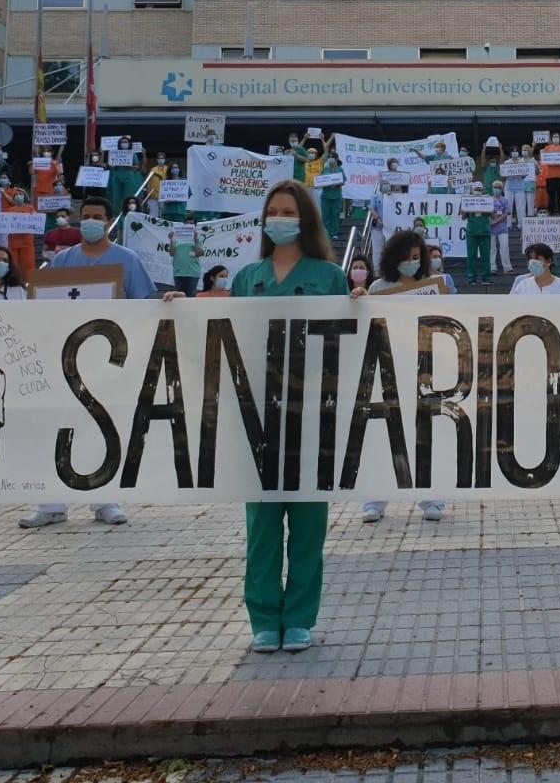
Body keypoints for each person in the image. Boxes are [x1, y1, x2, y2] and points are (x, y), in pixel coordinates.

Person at [230, 178, 347, 652]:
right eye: (272, 211)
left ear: (305, 219)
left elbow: (348, 341)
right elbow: (224, 334)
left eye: (288, 211)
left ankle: (299, 617)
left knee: (307, 525)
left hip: (311, 415)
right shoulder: (246, 277)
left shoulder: (329, 276)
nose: (279, 218)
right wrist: (182, 311)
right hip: (258, 418)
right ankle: (264, 618)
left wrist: (360, 308)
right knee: (260, 528)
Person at [19, 195, 149, 531]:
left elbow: (145, 303)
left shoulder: (127, 260)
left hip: (107, 358)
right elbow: (45, 303)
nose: (90, 222)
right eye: (85, 216)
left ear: (109, 222)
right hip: (66, 358)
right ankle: (51, 504)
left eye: (97, 217)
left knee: (104, 427)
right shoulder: (64, 260)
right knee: (56, 427)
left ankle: (106, 500)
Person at [355, 230, 446, 524]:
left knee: (425, 434)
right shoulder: (381, 286)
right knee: (382, 434)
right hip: (387, 368)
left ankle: (432, 498)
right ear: (394, 258)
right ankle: (374, 501)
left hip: (424, 368)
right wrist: (361, 297)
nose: (411, 262)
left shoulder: (431, 286)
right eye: (406, 258)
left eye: (416, 258)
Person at [0, 181, 38, 285]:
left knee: (28, 264)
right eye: (16, 195)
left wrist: (34, 216)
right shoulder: (9, 210)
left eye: (20, 194)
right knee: (13, 264)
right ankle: (14, 283)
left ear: (25, 196)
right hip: (13, 242)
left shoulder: (30, 208)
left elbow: (37, 221)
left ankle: (30, 283)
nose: (18, 196)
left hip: (27, 241)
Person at [464, 182, 493, 285]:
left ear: (483, 190)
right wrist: (465, 205)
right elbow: (463, 216)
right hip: (472, 232)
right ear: (472, 190)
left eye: (480, 189)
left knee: (486, 256)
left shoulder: (487, 199)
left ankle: (486, 278)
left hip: (485, 232)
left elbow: (492, 215)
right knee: (471, 256)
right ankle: (471, 279)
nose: (478, 191)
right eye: (476, 189)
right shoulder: (467, 200)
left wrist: (486, 206)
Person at [106, 138, 144, 214]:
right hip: (116, 177)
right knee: (116, 197)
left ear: (129, 143)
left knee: (128, 196)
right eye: (122, 142)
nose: (124, 143)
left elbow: (137, 167)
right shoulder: (115, 153)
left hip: (129, 177)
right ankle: (117, 216)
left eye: (125, 142)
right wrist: (113, 166)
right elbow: (110, 166)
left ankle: (129, 214)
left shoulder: (132, 154)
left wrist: (129, 166)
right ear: (119, 144)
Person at [170, 217, 204, 297]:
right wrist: (171, 240)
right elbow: (172, 253)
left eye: (191, 224)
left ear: (195, 226)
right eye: (187, 223)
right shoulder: (177, 236)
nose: (189, 225)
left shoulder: (199, 238)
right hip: (178, 272)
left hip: (192, 273)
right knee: (179, 298)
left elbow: (199, 253)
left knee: (190, 298)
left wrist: (196, 240)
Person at [539, 132, 560, 216]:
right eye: (554, 137)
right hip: (550, 175)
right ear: (552, 139)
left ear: (559, 139)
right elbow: (543, 158)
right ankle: (551, 211)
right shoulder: (547, 148)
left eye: (557, 137)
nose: (556, 138)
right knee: (551, 194)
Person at [489, 179, 514, 274]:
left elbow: (506, 213)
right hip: (490, 228)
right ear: (492, 188)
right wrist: (491, 221)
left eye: (499, 187)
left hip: (502, 228)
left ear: (502, 189)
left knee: (504, 247)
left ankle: (507, 268)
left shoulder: (505, 200)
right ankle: (492, 267)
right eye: (495, 187)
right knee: (491, 249)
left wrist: (496, 221)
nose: (497, 189)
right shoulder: (488, 200)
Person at [513, 144, 537, 221]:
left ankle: (530, 219)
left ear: (529, 151)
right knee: (521, 203)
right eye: (523, 149)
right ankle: (521, 220)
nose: (524, 151)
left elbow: (537, 172)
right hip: (520, 183)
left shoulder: (533, 161)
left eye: (526, 149)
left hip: (530, 183)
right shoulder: (519, 161)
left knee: (530, 202)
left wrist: (536, 169)